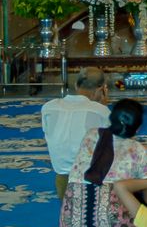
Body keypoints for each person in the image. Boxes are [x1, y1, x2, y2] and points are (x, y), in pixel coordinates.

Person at [59, 98, 147, 227]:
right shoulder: (138, 150)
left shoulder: (90, 135)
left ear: (111, 118)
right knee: (145, 190)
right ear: (138, 128)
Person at [41, 67, 110, 199]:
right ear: (101, 89)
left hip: (63, 177)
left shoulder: (48, 107)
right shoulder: (101, 111)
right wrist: (103, 105)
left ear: (75, 85)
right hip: (91, 177)